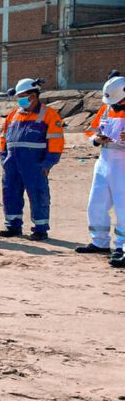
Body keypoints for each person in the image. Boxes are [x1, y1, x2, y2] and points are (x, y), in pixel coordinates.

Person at [0, 78, 64, 241]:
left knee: (38, 194)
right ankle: (13, 226)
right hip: (12, 162)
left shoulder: (49, 114)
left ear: (34, 95)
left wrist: (48, 163)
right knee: (10, 192)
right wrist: (3, 158)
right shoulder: (13, 115)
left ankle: (40, 228)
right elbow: (4, 139)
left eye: (23, 96)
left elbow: (56, 142)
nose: (20, 100)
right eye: (19, 96)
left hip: (35, 163)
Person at [77, 71, 125, 266]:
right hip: (104, 160)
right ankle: (99, 242)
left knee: (123, 207)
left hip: (122, 163)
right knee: (96, 203)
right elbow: (91, 129)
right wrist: (96, 139)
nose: (116, 105)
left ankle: (122, 247)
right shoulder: (106, 109)